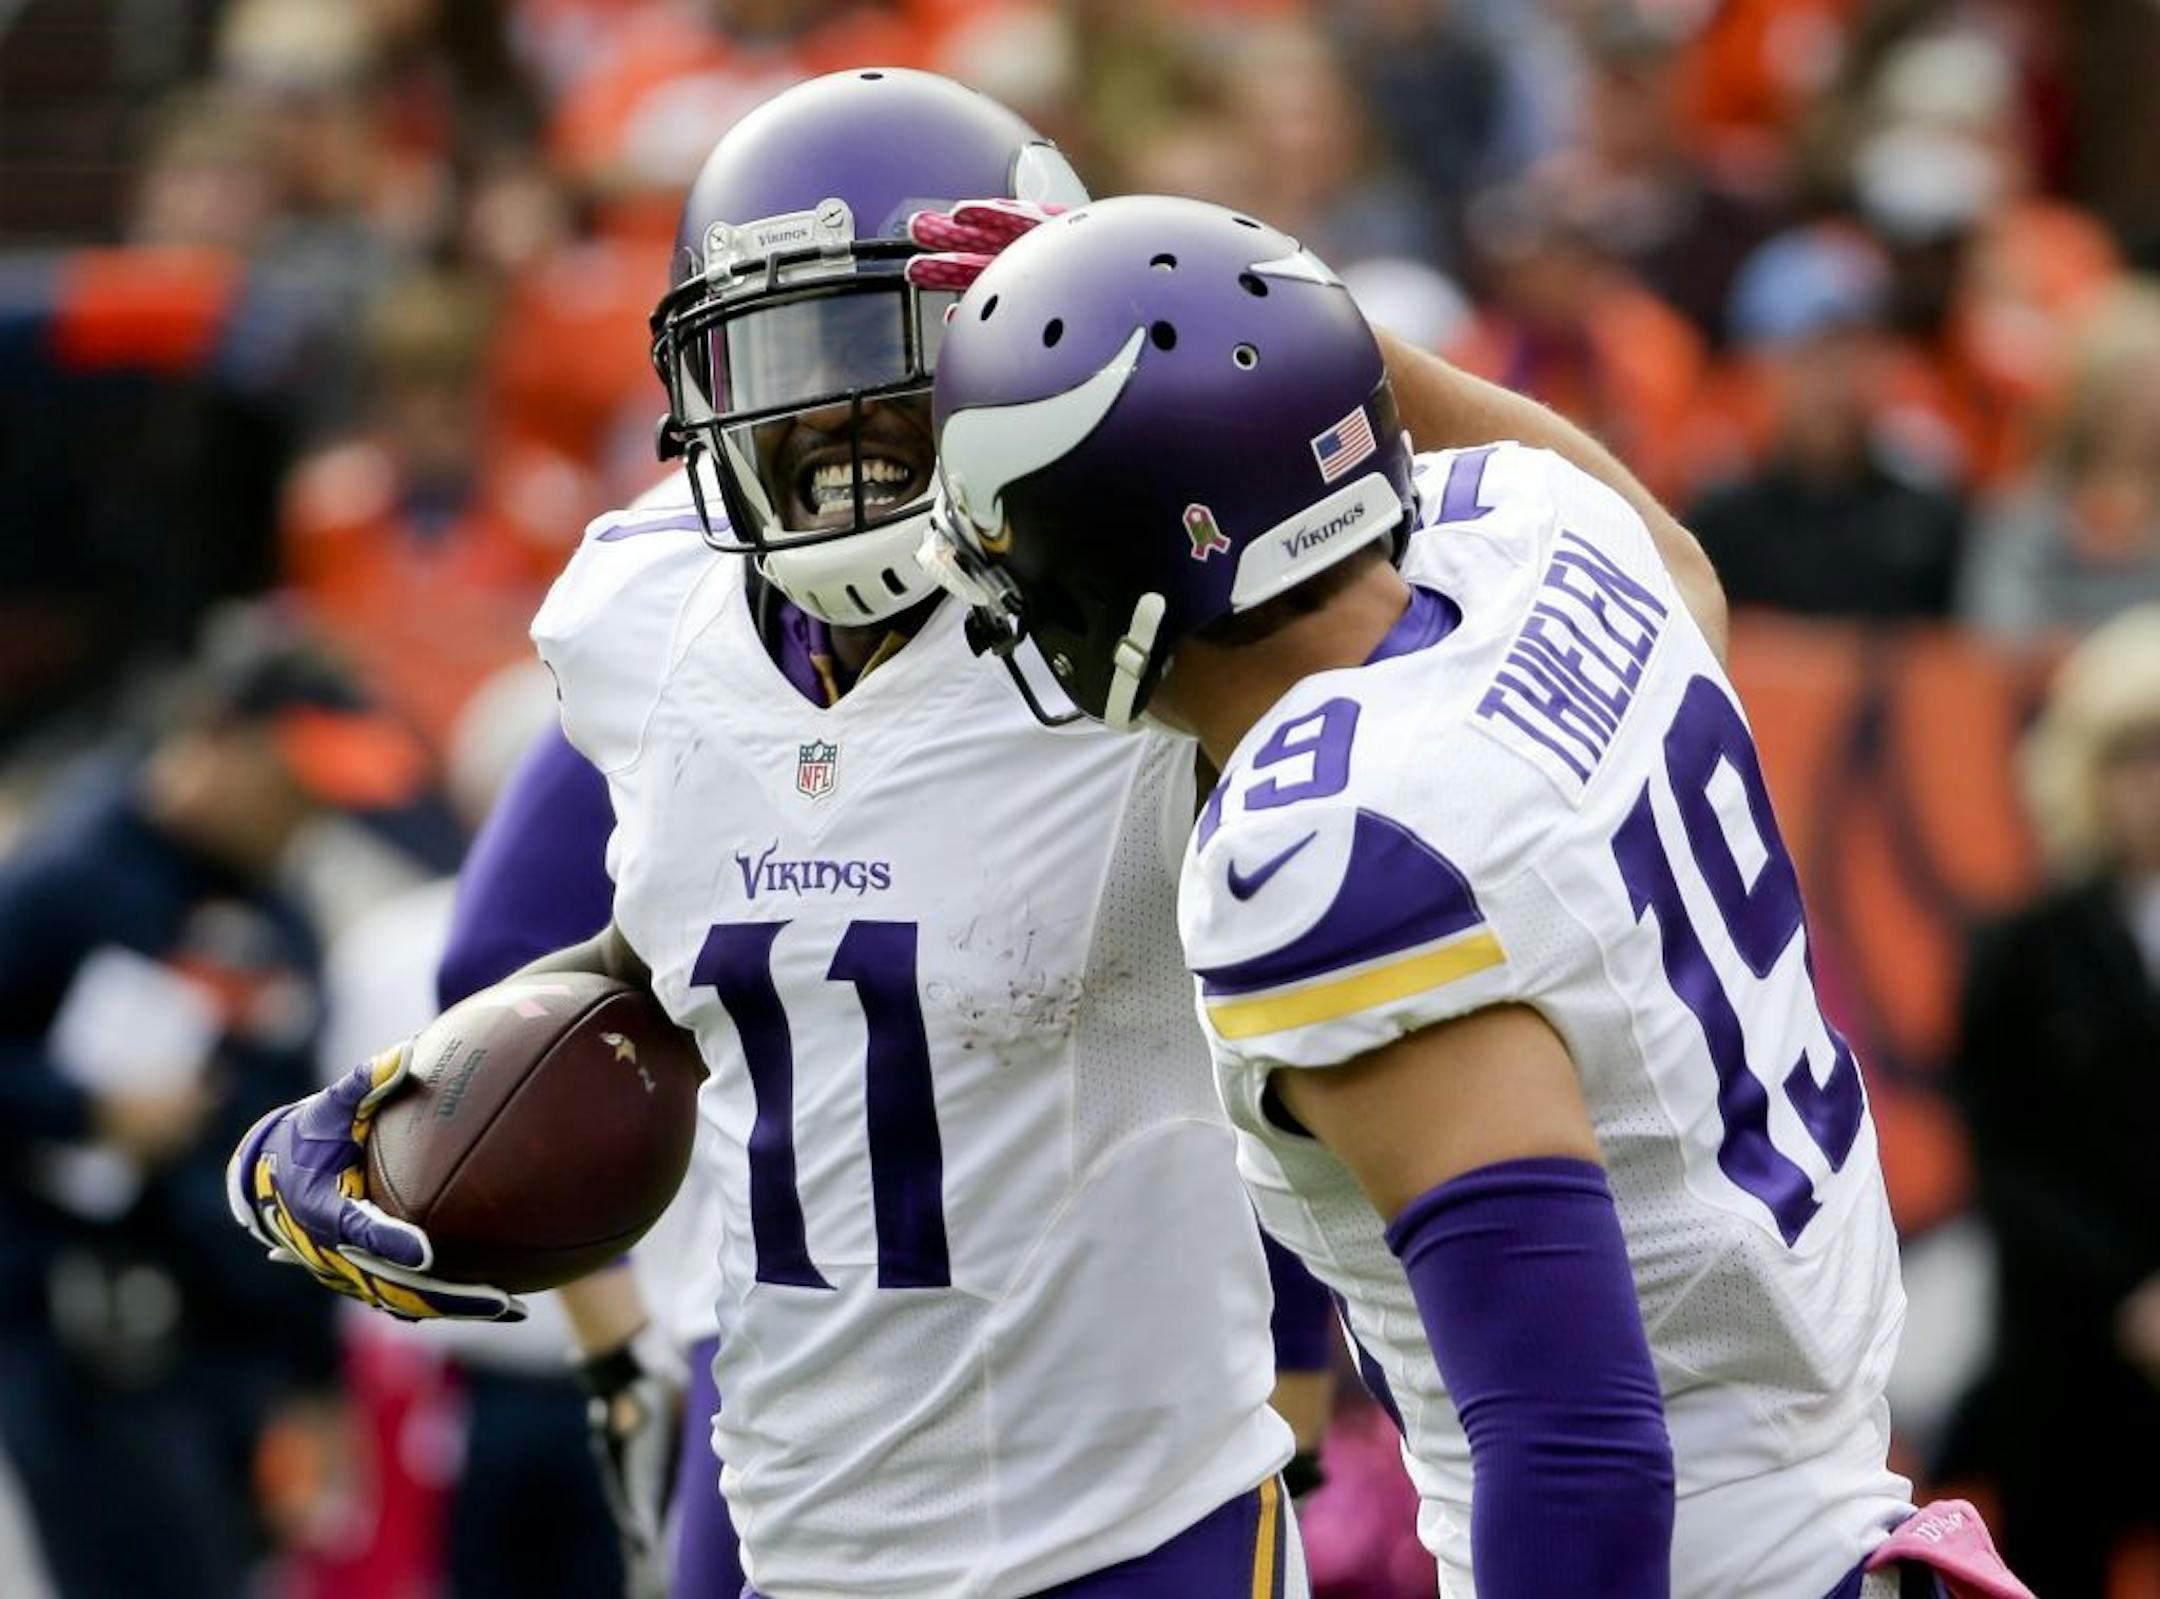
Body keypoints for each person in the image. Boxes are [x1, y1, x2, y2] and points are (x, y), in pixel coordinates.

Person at [229, 71, 1775, 1596]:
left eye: (877, 345)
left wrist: (1262, 315)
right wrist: (422, 1091)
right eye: (779, 349)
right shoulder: (645, 613)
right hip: (790, 1514)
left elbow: (1641, 603)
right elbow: (695, 942)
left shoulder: (1124, 612)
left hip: (1132, 1528)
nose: (829, 409)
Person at [921, 194, 2031, 1598]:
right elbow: (1690, 579)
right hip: (1824, 1502)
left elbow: (1579, 1449)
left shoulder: (1328, 853)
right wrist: (1262, 305)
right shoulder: (1533, 529)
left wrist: (1224, 312)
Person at [0, 615, 374, 1596]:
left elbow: (305, 1148)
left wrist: (318, 1381)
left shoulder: (278, 910)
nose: (308, 816)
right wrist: (85, 1107)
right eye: (292, 784)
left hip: (232, 1354)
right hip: (87, 1342)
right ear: (218, 735)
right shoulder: (70, 875)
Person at [1952, 606, 2160, 1594]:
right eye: (2136, 754)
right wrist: (2129, 1294)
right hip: (2065, 1351)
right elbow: (2005, 1154)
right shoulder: (2022, 952)